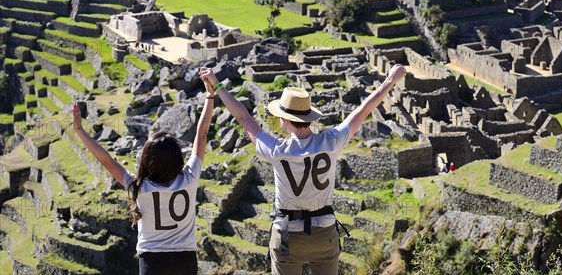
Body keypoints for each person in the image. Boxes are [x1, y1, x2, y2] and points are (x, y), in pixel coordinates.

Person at [199, 64, 408, 275]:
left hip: (288, 234)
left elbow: (244, 118)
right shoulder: (331, 141)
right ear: (308, 118)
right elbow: (363, 110)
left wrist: (217, 85)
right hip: (324, 233)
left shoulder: (277, 150)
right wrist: (390, 80)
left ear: (284, 120)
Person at [72, 76, 214, 275]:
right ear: (177, 159)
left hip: (152, 262)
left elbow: (106, 160)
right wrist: (210, 96)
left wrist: (80, 130)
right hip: (184, 259)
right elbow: (202, 133)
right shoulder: (189, 179)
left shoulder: (138, 187)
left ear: (148, 160)